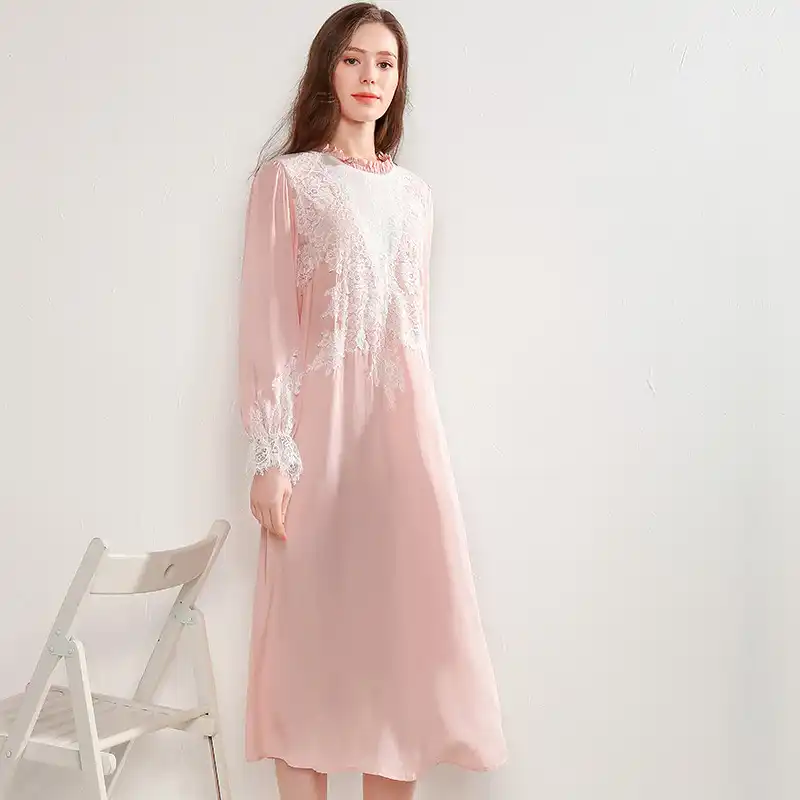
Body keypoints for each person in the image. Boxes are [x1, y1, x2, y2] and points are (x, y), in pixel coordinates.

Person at [237, 4, 507, 798]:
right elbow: (268, 322)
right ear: (328, 69)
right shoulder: (286, 182)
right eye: (354, 60)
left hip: (402, 442)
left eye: (385, 64)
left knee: (399, 643)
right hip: (314, 445)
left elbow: (408, 329)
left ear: (400, 82)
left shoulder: (417, 197)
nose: (369, 77)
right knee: (305, 642)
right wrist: (271, 454)